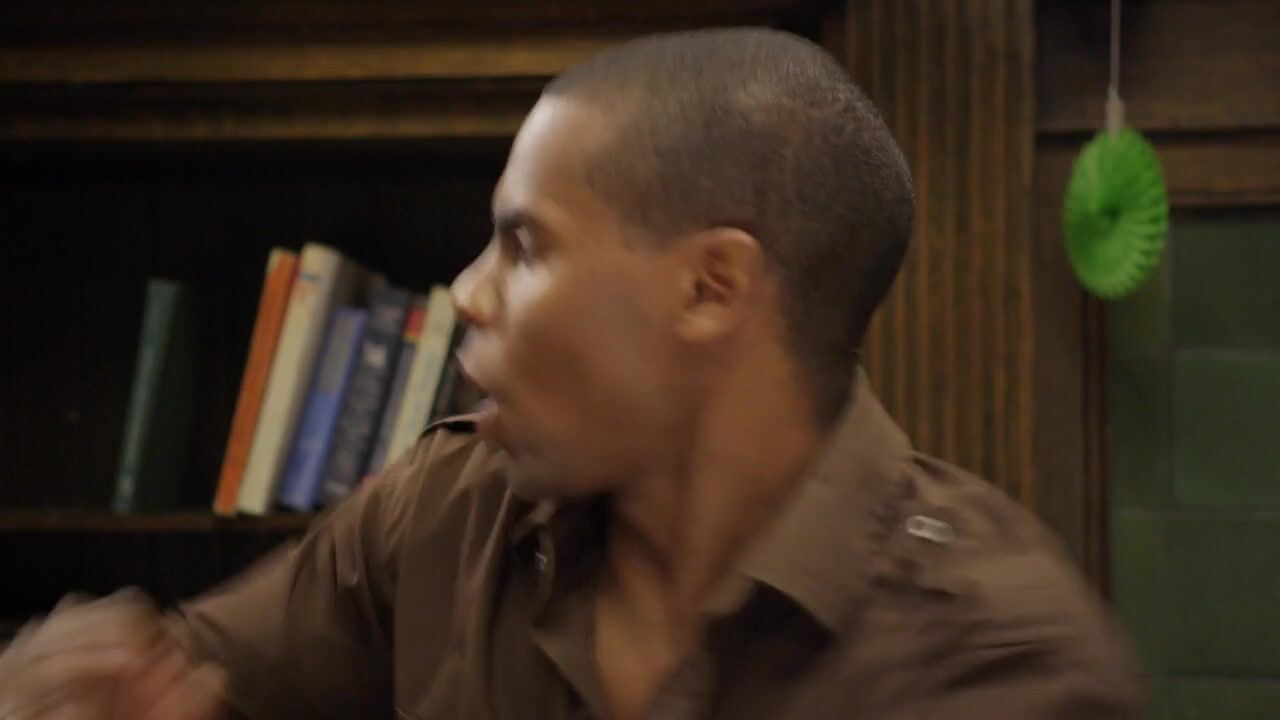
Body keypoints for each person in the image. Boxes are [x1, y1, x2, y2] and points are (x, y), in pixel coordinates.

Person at [0, 28, 1145, 720]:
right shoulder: (446, 510)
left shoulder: (991, 664)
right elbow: (186, 682)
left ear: (710, 288)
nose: (466, 292)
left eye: (524, 245)